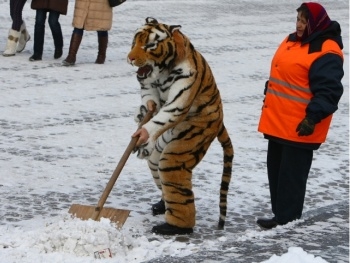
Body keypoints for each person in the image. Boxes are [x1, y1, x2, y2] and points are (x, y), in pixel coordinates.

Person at [257, 2, 344, 230]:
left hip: (300, 125)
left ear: (315, 24)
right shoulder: (291, 41)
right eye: (297, 19)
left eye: (304, 21)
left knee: (291, 179)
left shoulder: (326, 50)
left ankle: (287, 225)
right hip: (277, 122)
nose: (299, 25)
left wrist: (312, 118)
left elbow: (329, 90)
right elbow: (286, 75)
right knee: (276, 173)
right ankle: (281, 217)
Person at [62, 0, 112, 66]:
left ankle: (101, 56)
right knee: (79, 25)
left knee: (102, 26)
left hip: (101, 3)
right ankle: (71, 56)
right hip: (83, 3)